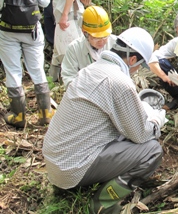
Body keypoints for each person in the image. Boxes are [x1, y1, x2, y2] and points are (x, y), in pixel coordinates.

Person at [42, 27, 168, 214]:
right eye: (138, 66)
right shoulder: (119, 82)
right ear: (132, 60)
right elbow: (141, 134)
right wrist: (156, 120)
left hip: (56, 162)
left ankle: (76, 183)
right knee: (151, 151)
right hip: (72, 168)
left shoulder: (90, 70)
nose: (136, 71)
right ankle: (104, 202)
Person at [0, 0, 54, 128]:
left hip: (6, 29)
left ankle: (19, 116)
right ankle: (45, 113)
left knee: (13, 71)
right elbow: (44, 2)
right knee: (37, 69)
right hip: (32, 29)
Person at [61, 5, 116, 89]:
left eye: (105, 36)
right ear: (85, 33)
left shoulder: (116, 44)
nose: (101, 41)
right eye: (96, 38)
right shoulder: (74, 49)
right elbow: (68, 77)